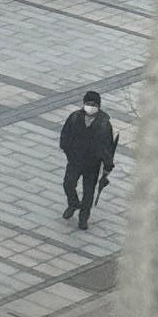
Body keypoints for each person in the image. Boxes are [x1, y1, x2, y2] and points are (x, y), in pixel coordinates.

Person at [59, 87, 119, 228]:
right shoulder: (74, 118)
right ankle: (73, 203)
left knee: (88, 192)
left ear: (98, 106)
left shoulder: (104, 124)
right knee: (68, 183)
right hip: (75, 160)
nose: (91, 107)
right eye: (89, 104)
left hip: (92, 164)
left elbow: (107, 147)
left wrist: (108, 165)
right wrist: (68, 151)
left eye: (94, 105)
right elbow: (65, 136)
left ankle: (83, 218)